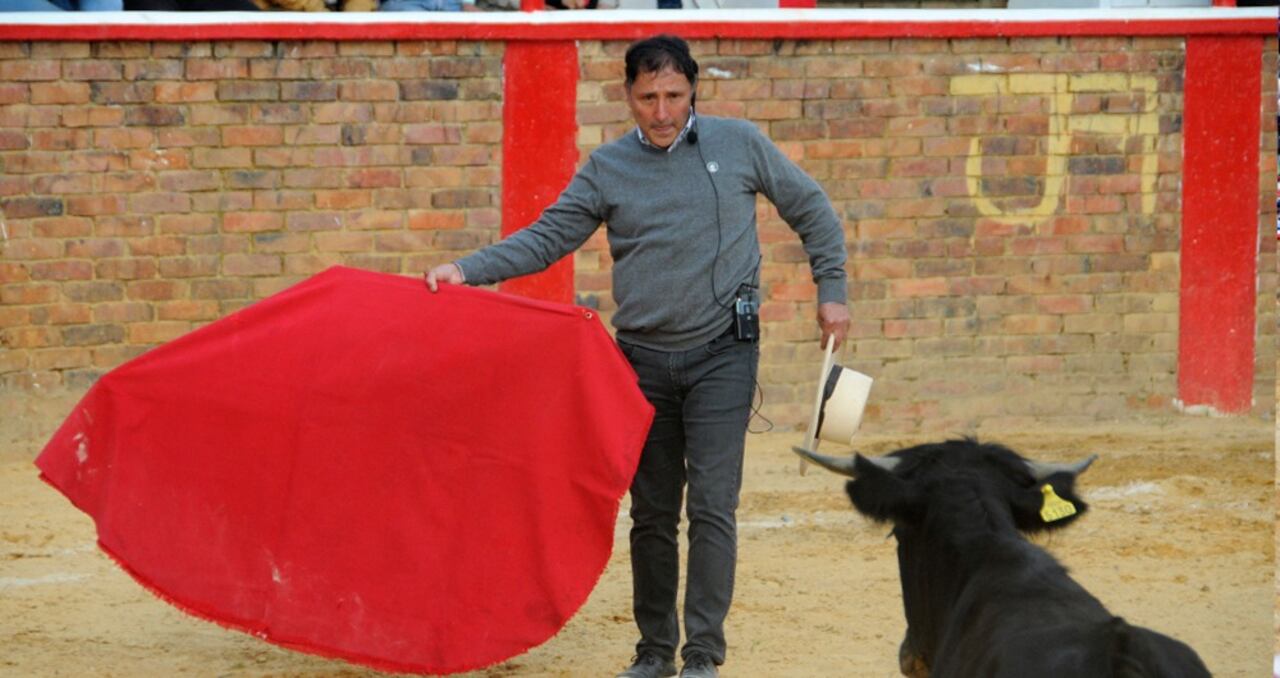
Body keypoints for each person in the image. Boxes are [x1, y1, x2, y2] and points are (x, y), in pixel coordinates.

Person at [424, 34, 849, 678]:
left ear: (693, 90)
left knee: (711, 505)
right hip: (642, 363)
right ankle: (654, 653)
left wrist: (833, 291)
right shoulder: (608, 168)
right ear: (627, 95)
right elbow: (547, 238)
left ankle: (702, 656)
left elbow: (812, 209)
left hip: (723, 356)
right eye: (647, 97)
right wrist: (465, 269)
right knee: (652, 512)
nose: (661, 110)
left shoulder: (738, 145)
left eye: (673, 95)